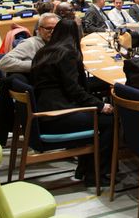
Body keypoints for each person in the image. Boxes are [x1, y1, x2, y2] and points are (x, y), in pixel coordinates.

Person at [31, 18, 114, 185]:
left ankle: (84, 168)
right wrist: (101, 105)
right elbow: (73, 90)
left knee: (94, 113)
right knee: (109, 120)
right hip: (56, 116)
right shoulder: (67, 53)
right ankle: (97, 174)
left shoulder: (44, 51)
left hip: (45, 111)